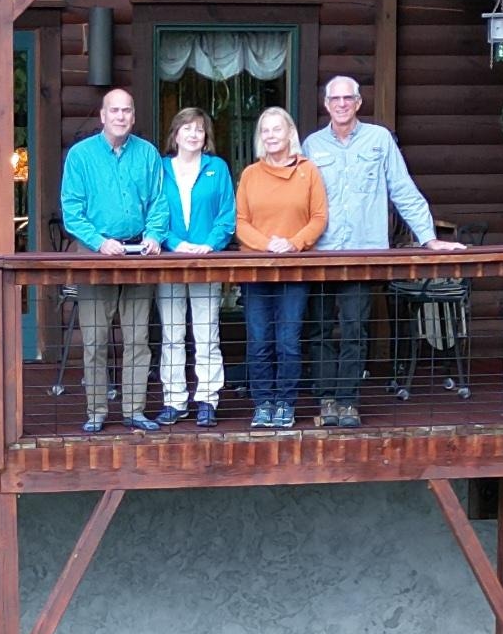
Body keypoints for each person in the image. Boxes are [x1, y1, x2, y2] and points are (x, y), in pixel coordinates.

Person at [303, 70, 455, 429]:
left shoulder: (379, 139)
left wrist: (428, 237)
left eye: (348, 98)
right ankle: (326, 399)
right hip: (320, 252)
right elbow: (297, 198)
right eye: (334, 98)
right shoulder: (312, 145)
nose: (341, 104)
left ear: (359, 102)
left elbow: (401, 188)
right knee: (320, 328)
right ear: (326, 105)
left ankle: (348, 401)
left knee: (356, 328)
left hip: (362, 253)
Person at [56, 84, 165, 429]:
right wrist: (99, 242)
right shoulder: (80, 156)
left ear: (133, 116)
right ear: (103, 116)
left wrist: (154, 235)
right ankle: (96, 413)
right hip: (96, 256)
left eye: (127, 110)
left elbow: (159, 203)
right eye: (114, 110)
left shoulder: (147, 154)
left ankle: (134, 410)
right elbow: (72, 210)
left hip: (138, 255)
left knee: (138, 339)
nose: (121, 116)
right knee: (95, 338)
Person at [232, 105, 324, 429]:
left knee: (288, 340)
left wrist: (293, 243)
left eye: (276, 129)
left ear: (289, 133)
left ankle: (285, 402)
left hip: (294, 270)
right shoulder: (250, 175)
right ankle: (263, 403)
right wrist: (267, 244)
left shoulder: (308, 170)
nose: (271, 135)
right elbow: (239, 222)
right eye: (265, 130)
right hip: (256, 269)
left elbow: (319, 218)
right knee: (259, 340)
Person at [148, 105, 236, 426]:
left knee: (206, 333)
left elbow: (227, 214)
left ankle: (207, 400)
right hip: (170, 261)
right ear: (175, 134)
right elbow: (153, 213)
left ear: (206, 136)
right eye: (187, 128)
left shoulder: (218, 168)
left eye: (199, 129)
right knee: (171, 334)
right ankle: (174, 401)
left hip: (206, 261)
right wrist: (173, 242)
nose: (193, 134)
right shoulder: (160, 168)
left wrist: (209, 244)